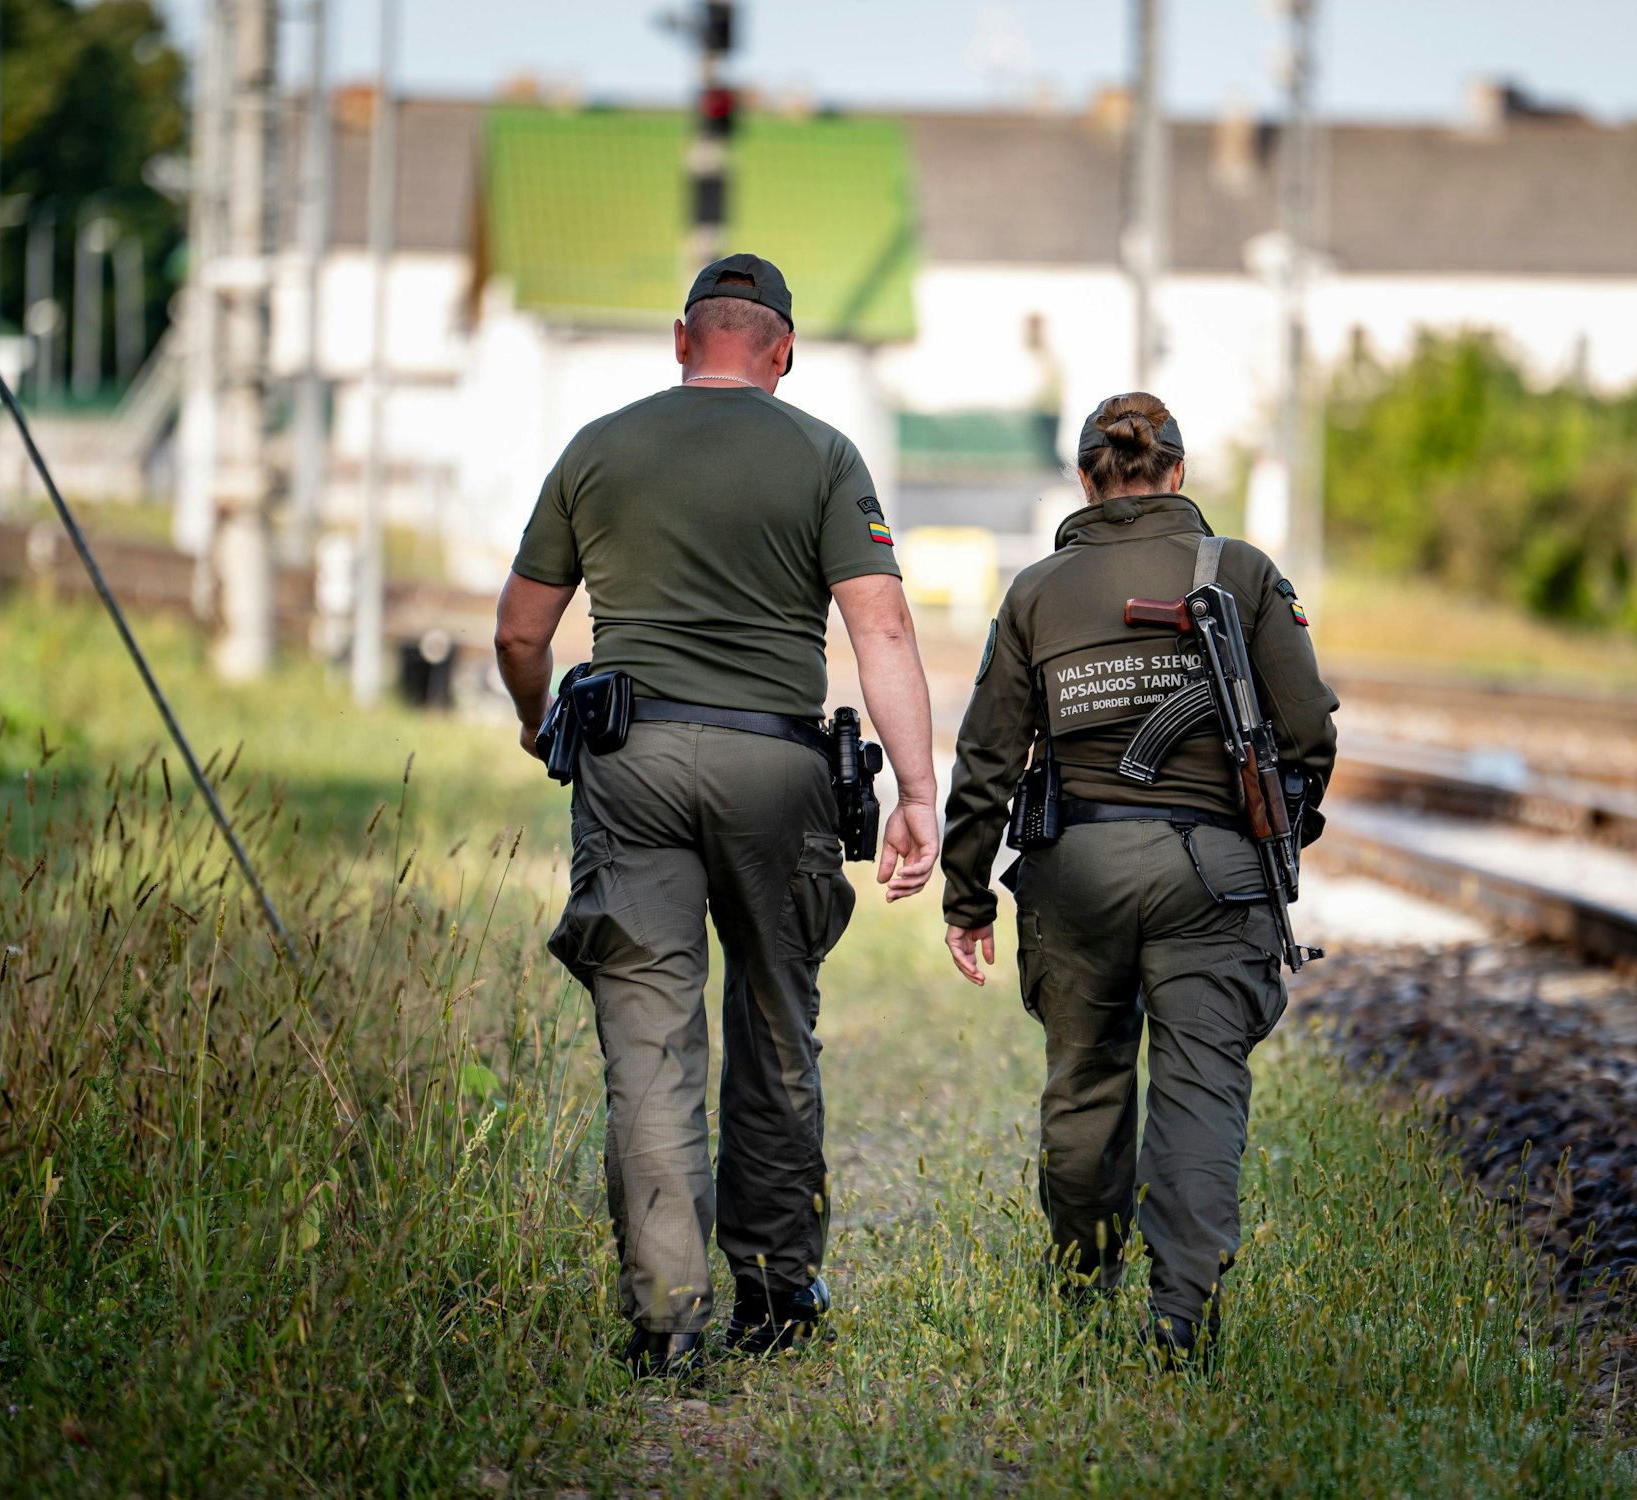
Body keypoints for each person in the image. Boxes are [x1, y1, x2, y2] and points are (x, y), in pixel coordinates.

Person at [493, 253, 939, 1376]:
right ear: (780, 354)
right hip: (773, 767)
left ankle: (663, 1317)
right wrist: (917, 789)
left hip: (629, 760)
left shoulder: (598, 446)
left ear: (683, 338)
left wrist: (541, 719)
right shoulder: (824, 455)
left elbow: (515, 631)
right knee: (776, 1023)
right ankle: (779, 1289)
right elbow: (879, 627)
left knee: (647, 1038)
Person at [939, 391, 1337, 1368]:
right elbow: (1309, 731)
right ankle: (1180, 1326)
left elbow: (986, 755)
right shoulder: (1240, 573)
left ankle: (1080, 1292)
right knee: (1200, 1093)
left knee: (1082, 1084)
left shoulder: (1034, 591)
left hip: (1073, 870)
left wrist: (966, 891)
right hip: (1212, 877)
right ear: (1177, 473)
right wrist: (1279, 822)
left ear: (1086, 480)